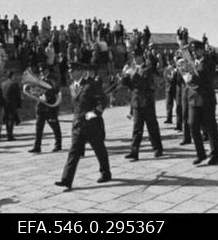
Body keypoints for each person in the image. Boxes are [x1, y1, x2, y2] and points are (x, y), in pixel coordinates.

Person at [54, 62, 111, 191]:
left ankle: (106, 173)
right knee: (73, 153)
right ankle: (66, 180)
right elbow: (76, 107)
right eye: (69, 71)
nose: (70, 73)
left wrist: (94, 113)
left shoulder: (91, 84)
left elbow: (103, 100)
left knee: (99, 150)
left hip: (92, 125)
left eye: (72, 70)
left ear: (79, 71)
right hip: (78, 126)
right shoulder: (72, 86)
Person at [181, 41, 218, 165]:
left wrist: (191, 74)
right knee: (192, 125)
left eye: (195, 50)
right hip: (193, 99)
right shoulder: (192, 63)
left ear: (202, 50)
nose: (193, 53)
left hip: (206, 99)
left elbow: (205, 79)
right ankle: (200, 154)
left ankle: (214, 155)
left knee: (210, 128)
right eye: (192, 51)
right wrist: (185, 74)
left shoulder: (209, 63)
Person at [121, 50, 163, 161]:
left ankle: (157, 148)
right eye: (133, 57)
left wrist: (132, 73)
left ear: (141, 57)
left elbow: (143, 79)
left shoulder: (147, 67)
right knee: (137, 128)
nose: (134, 59)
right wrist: (124, 75)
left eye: (136, 57)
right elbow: (128, 84)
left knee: (152, 126)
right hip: (136, 101)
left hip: (147, 101)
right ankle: (134, 152)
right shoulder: (132, 68)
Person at [28, 66, 63, 154]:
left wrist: (46, 96)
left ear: (47, 70)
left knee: (55, 126)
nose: (41, 72)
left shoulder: (52, 78)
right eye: (40, 71)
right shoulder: (40, 79)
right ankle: (37, 146)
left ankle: (58, 145)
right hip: (41, 107)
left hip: (49, 107)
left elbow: (55, 89)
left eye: (43, 70)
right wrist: (33, 91)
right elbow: (36, 89)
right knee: (38, 128)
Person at [0, 72, 21, 141]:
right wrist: (19, 104)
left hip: (5, 104)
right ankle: (10, 135)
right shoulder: (14, 84)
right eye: (14, 75)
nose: (15, 77)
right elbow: (18, 95)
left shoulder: (3, 84)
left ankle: (8, 134)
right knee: (11, 119)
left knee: (6, 119)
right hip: (12, 103)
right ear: (12, 76)